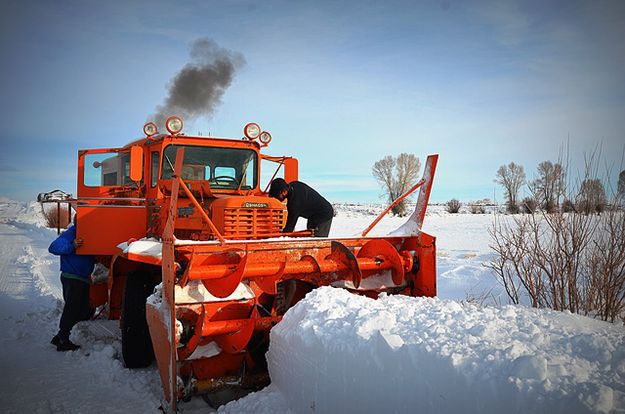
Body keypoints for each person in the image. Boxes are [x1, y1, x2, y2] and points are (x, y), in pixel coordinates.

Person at [48, 216, 95, 351]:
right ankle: (63, 340)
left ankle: (60, 335)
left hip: (82, 278)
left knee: (84, 311)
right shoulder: (72, 233)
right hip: (72, 278)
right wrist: (72, 246)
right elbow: (53, 247)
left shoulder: (89, 234)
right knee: (72, 310)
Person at [269, 178, 334, 237]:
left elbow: (289, 228)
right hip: (313, 216)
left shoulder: (295, 202)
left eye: (276, 195)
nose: (276, 198)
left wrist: (281, 236)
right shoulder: (294, 185)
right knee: (310, 238)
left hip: (324, 214)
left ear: (284, 192)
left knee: (317, 242)